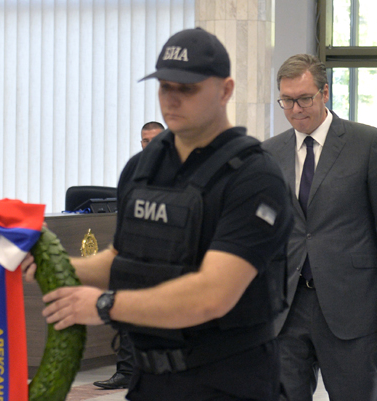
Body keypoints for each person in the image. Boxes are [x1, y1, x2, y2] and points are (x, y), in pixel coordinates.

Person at [24, 27, 293, 401]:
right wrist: (50, 263)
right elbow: (121, 260)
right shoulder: (143, 167)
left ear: (225, 90)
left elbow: (211, 295)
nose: (173, 99)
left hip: (228, 382)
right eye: (165, 87)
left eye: (188, 88)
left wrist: (105, 305)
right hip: (150, 380)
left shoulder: (255, 177)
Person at [262, 54, 377, 401]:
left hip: (352, 308)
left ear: (325, 92)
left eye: (304, 98)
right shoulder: (270, 152)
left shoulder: (367, 143)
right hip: (286, 310)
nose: (296, 109)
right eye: (286, 101)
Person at [93, 120, 166, 390]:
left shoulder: (182, 168)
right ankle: (125, 371)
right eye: (145, 141)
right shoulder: (134, 169)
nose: (150, 145)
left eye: (155, 140)